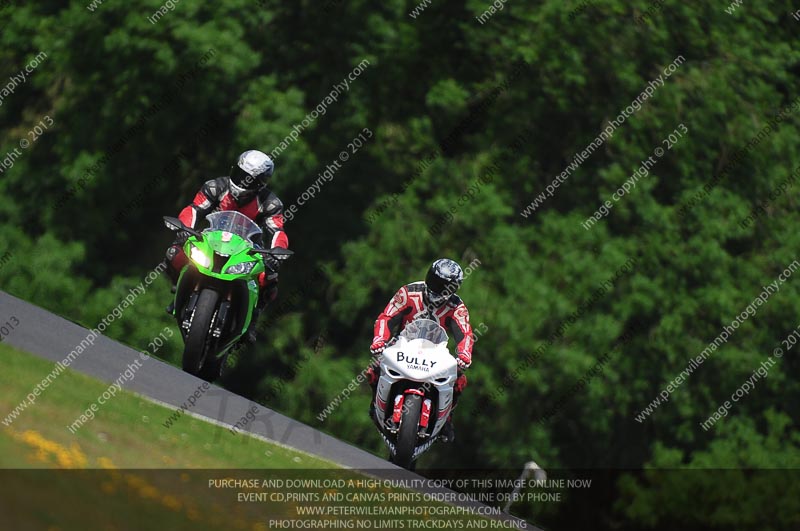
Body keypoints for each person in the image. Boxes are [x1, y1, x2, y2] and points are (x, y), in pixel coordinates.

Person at [164, 149, 288, 343]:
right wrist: (185, 227)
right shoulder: (214, 187)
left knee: (270, 278)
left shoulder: (270, 203)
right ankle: (178, 288)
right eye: (240, 175)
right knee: (174, 252)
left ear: (261, 183)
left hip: (247, 251)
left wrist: (276, 252)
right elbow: (194, 209)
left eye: (250, 180)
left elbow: (277, 230)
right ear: (233, 169)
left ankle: (253, 319)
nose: (242, 182)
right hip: (210, 241)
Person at [367, 258, 473, 442]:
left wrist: (464, 354)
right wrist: (379, 340)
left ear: (453, 289)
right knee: (373, 368)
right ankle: (375, 404)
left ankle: (446, 419)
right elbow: (386, 318)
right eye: (434, 280)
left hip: (436, 353)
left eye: (443, 286)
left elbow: (465, 334)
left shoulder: (457, 307)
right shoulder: (408, 292)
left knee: (460, 380)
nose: (436, 288)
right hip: (402, 345)